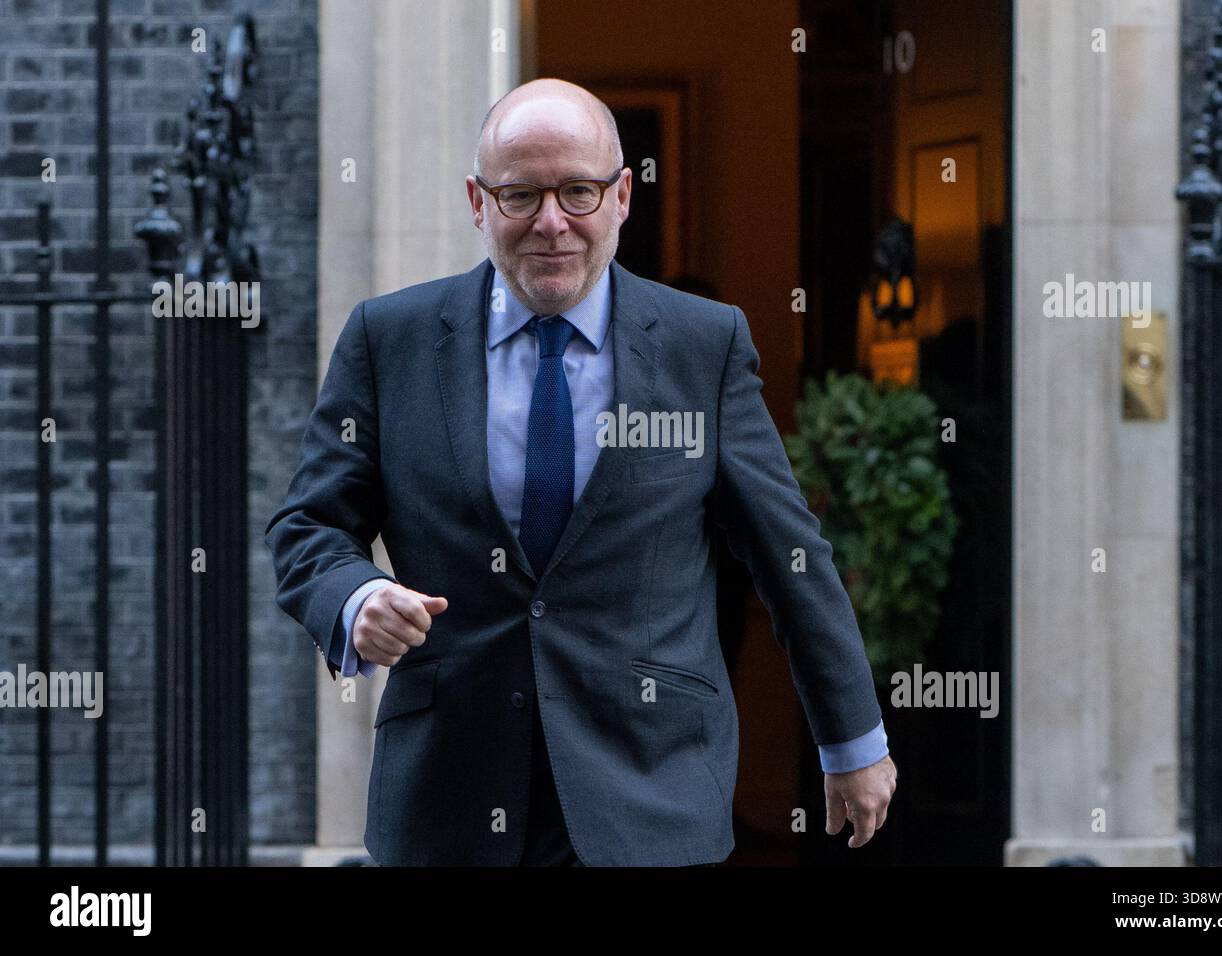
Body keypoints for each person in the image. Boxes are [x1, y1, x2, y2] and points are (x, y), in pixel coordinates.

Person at [264, 78, 897, 867]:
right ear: (478, 201)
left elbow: (790, 553)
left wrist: (853, 740)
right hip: (449, 796)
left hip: (648, 790)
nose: (552, 223)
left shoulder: (704, 347)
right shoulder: (388, 340)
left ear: (623, 195)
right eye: (522, 195)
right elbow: (309, 525)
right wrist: (353, 597)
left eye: (579, 191)